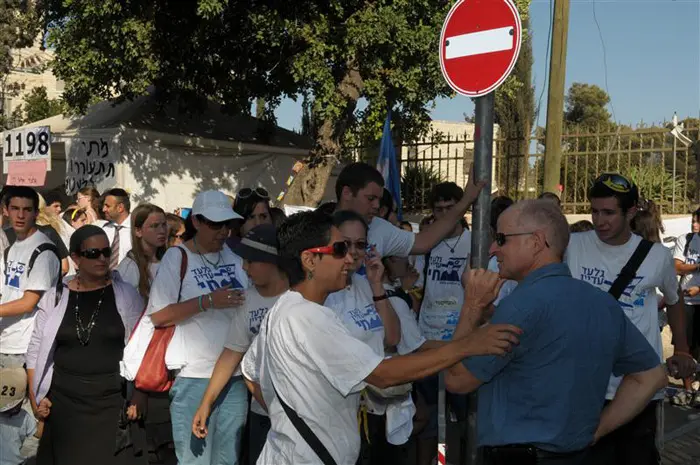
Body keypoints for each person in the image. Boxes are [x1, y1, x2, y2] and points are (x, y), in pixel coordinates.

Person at [240, 210, 521, 465]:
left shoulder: (285, 308)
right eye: (339, 249)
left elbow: (251, 371)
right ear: (310, 259)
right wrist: (467, 346)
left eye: (356, 247)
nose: (350, 257)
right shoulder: (308, 317)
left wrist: (290, 418)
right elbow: (383, 375)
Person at [444, 200, 667, 465]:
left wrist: (472, 305)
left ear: (536, 242)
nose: (493, 249)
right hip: (576, 455)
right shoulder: (602, 303)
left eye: (502, 239)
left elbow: (456, 380)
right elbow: (651, 375)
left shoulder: (521, 305)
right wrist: (596, 432)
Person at [565, 173, 694, 464]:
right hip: (586, 386)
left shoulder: (657, 256)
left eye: (609, 213)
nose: (600, 220)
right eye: (594, 211)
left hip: (639, 389)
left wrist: (683, 349)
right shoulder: (573, 246)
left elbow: (674, 301)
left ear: (631, 211)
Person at [26, 225, 147, 465]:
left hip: (112, 402)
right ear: (76, 258)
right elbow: (36, 351)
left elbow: (142, 348)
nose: (102, 259)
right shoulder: (55, 296)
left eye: (105, 252)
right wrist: (36, 397)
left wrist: (140, 394)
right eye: (93, 254)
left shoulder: (126, 295)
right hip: (64, 403)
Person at [146, 190, 248, 465]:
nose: (224, 231)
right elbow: (159, 316)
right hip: (194, 375)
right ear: (197, 222)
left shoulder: (236, 257)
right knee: (195, 461)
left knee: (228, 460)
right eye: (216, 224)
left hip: (234, 377)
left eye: (227, 224)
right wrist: (207, 301)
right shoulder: (177, 258)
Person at [192, 224, 288, 465]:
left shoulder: (298, 297)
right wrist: (206, 403)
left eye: (250, 261)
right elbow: (230, 355)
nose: (244, 267)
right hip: (262, 415)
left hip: (300, 413)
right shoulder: (247, 301)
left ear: (271, 260)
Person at [334, 162, 482, 259]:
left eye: (360, 244)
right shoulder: (318, 229)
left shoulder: (379, 228)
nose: (377, 206)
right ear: (347, 193)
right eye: (370, 198)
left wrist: (466, 200)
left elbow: (423, 241)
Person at [0, 187, 61, 373]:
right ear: (6, 210)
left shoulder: (44, 250)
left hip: (27, 346)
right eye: (15, 208)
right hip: (7, 339)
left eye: (26, 210)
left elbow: (28, 303)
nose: (20, 215)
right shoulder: (11, 248)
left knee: (28, 402)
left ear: (36, 213)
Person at [672, 207, 700, 404]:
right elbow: (676, 266)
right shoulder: (686, 240)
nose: (694, 225)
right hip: (686, 302)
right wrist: (697, 266)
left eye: (698, 221)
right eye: (693, 220)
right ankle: (687, 389)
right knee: (683, 347)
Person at [117, 204, 168, 295]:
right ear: (138, 231)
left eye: (164, 225)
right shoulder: (129, 267)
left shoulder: (168, 259)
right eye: (154, 226)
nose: (162, 231)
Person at [0, 367, 38, 465]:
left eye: (13, 407)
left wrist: (42, 419)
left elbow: (34, 439)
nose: (8, 410)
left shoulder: (26, 418)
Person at [102, 188, 133, 269]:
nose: (103, 209)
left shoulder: (137, 229)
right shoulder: (105, 229)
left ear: (120, 207)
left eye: (107, 206)